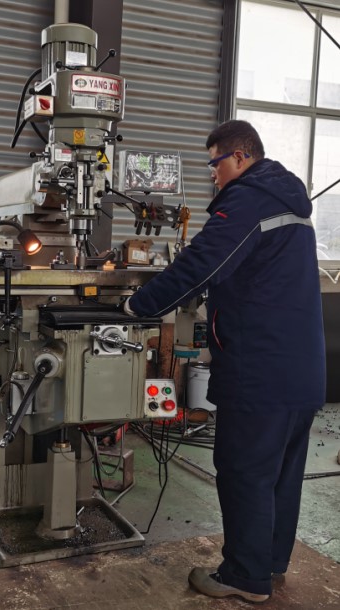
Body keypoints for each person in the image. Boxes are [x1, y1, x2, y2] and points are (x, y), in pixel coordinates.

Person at [125, 120, 326, 603]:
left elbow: (200, 265)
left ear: (239, 157)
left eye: (215, 164)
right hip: (301, 370)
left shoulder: (248, 201)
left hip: (260, 371)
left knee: (244, 471)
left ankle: (244, 577)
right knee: (280, 475)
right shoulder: (289, 202)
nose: (213, 175)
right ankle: (269, 563)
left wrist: (137, 306)